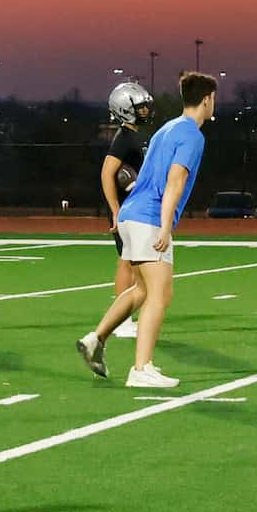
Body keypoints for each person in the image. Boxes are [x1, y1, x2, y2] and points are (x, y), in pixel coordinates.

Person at [76, 71, 215, 391]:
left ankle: (95, 339)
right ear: (207, 99)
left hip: (131, 215)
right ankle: (141, 368)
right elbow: (175, 181)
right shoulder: (192, 134)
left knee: (140, 290)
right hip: (149, 217)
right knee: (159, 294)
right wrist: (166, 226)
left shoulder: (166, 129)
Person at [96, 81, 155, 346]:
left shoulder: (133, 135)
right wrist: (115, 209)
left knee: (132, 261)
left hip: (134, 208)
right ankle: (121, 321)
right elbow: (108, 173)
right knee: (126, 261)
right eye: (140, 106)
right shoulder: (124, 138)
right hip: (126, 209)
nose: (145, 111)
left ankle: (124, 318)